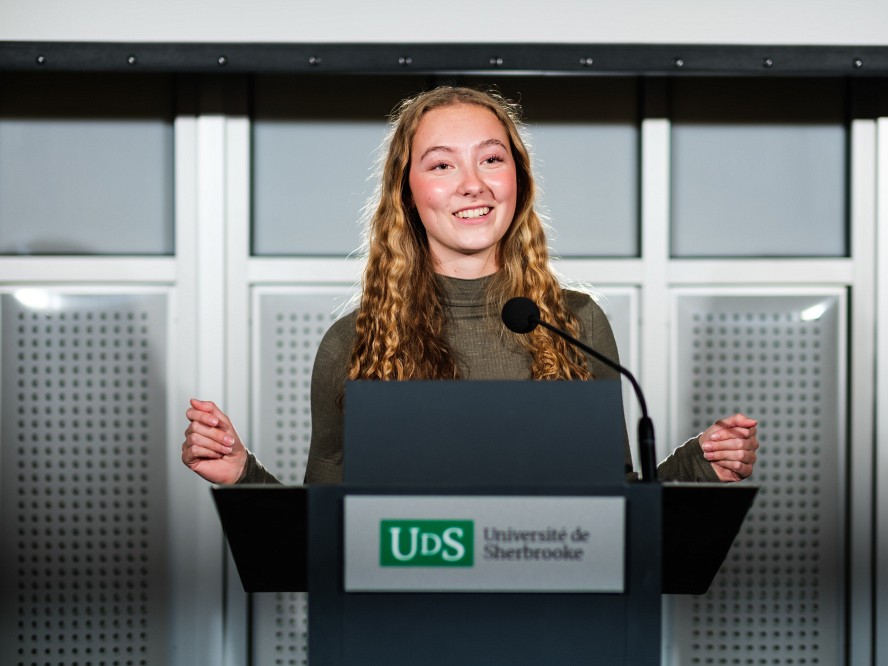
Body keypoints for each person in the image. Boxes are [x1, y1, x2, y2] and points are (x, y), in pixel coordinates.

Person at [181, 86, 758, 486]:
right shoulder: (352, 342)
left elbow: (612, 506)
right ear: (407, 191)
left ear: (519, 181)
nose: (472, 185)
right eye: (441, 165)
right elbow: (327, 526)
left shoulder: (576, 324)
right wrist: (242, 474)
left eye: (491, 159)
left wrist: (698, 465)